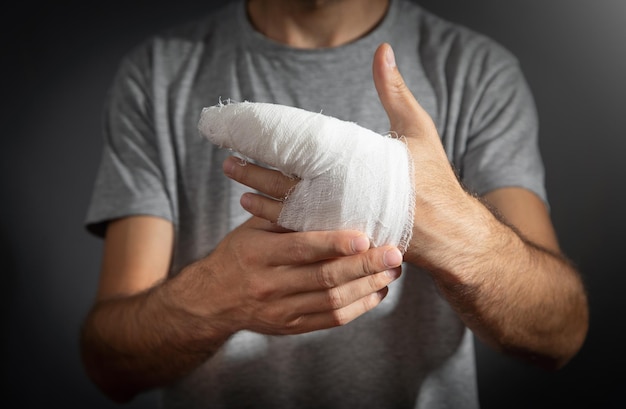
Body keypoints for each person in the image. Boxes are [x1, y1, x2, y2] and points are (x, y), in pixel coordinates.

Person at [80, 0, 589, 408]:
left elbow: (558, 334)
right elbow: (111, 366)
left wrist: (435, 219)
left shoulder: (476, 71)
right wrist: (216, 297)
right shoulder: (158, 73)